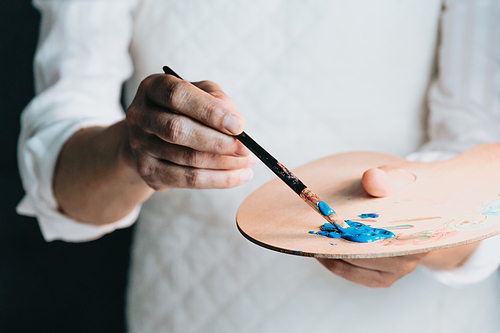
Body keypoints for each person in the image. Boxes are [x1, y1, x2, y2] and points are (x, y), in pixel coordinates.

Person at [18, 0, 500, 332]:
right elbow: (60, 179)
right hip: (189, 312)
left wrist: (424, 234)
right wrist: (132, 154)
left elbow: (484, 144)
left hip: (420, 318)